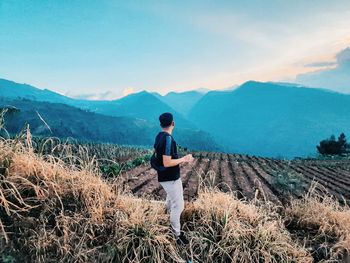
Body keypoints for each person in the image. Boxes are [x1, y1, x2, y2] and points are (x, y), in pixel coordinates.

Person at [153, 112, 194, 245]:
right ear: (173, 124)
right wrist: (184, 159)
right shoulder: (168, 139)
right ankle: (177, 234)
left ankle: (165, 218)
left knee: (171, 200)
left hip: (165, 177)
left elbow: (158, 154)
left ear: (161, 125)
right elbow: (167, 162)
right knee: (179, 205)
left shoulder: (159, 136)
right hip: (170, 177)